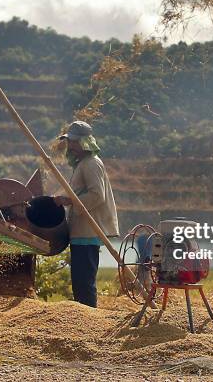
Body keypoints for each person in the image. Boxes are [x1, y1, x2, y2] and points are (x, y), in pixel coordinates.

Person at [54, 121, 119, 307]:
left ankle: (89, 318)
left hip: (88, 231)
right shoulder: (82, 165)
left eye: (74, 142)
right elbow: (80, 193)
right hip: (80, 231)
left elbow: (97, 195)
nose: (71, 146)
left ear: (85, 143)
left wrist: (70, 201)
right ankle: (84, 316)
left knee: (84, 282)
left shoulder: (91, 164)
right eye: (70, 142)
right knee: (79, 282)